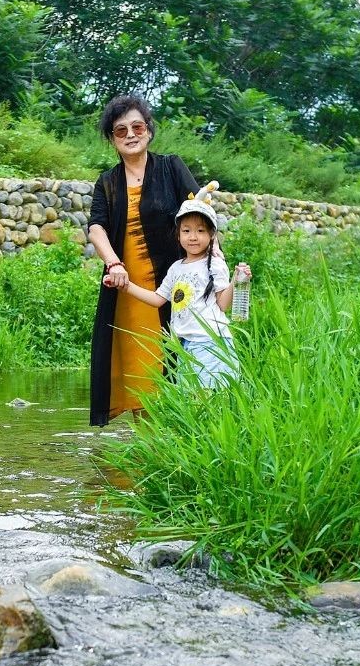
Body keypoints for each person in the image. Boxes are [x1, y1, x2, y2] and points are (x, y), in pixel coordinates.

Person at [88, 94, 199, 426]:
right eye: (120, 131)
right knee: (139, 360)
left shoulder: (171, 167)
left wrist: (215, 254)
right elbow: (96, 227)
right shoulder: (107, 182)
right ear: (112, 139)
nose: (131, 134)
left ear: (149, 130)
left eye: (137, 126)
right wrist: (114, 264)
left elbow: (199, 211)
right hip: (128, 286)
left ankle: (185, 439)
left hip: (178, 282)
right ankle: (148, 447)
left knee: (184, 356)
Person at [104, 184, 250, 389]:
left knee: (209, 398)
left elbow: (223, 305)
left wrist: (236, 280)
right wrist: (125, 286)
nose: (193, 236)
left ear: (211, 235)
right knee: (193, 398)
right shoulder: (176, 268)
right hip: (185, 345)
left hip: (211, 341)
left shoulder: (215, 264)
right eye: (186, 230)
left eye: (200, 231)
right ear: (178, 235)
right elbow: (158, 299)